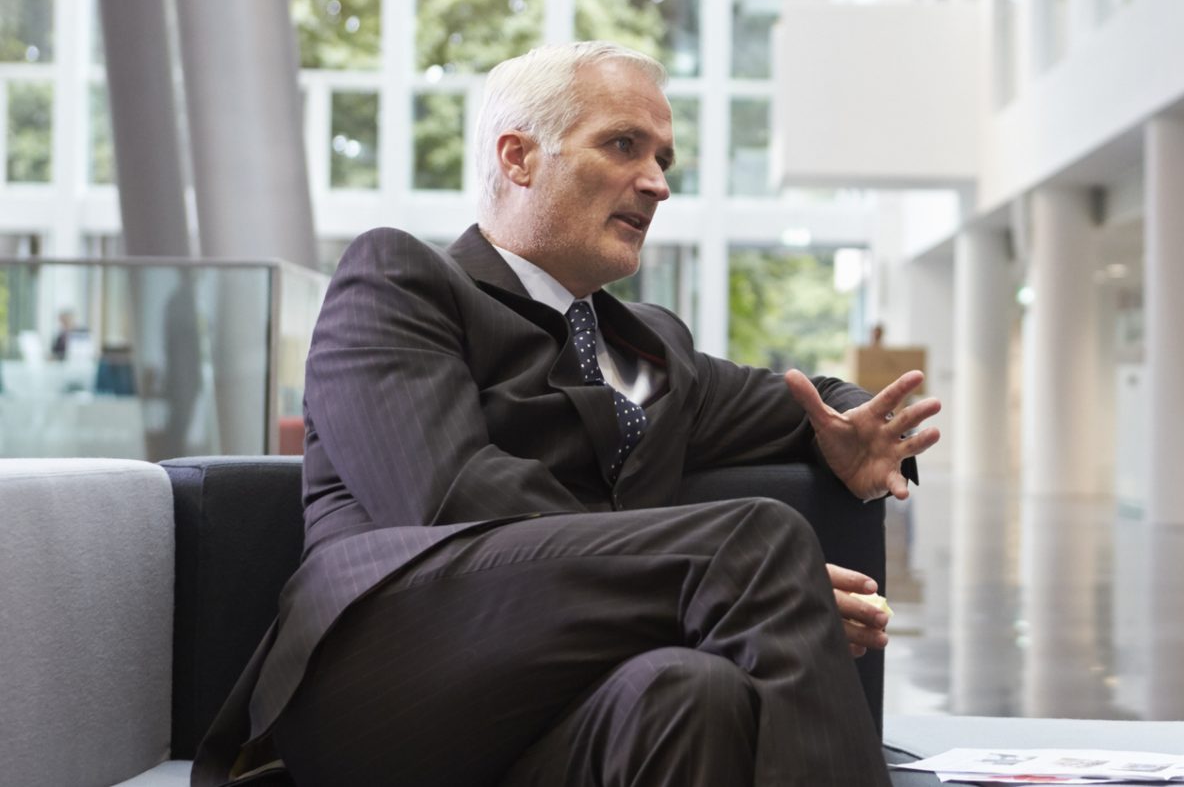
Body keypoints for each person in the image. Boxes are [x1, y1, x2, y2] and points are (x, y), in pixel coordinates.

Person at [192, 41, 941, 787]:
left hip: (568, 704)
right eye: (623, 146)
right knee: (754, 542)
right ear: (518, 158)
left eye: (664, 161)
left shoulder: (648, 353)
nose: (656, 184)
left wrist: (856, 429)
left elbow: (804, 403)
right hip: (386, 680)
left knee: (692, 695)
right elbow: (447, 500)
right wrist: (702, 575)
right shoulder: (399, 284)